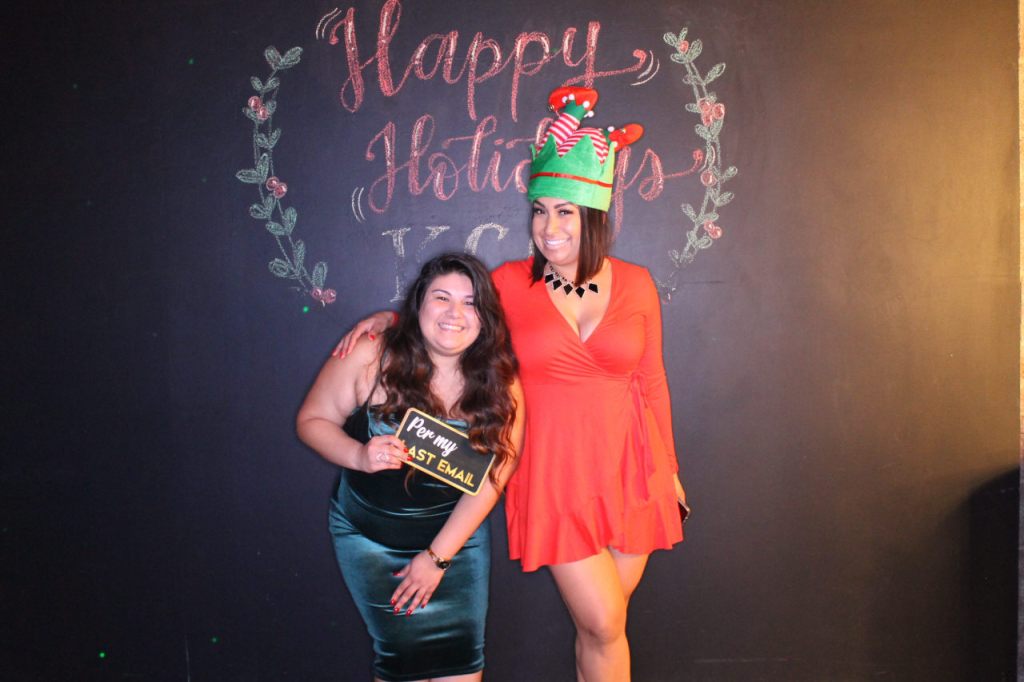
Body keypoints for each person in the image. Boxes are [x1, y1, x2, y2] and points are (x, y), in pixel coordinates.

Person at [337, 87, 687, 682]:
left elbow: (653, 379)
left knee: (604, 629)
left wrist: (670, 468)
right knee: (604, 622)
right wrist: (390, 319)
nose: (548, 227)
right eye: (540, 210)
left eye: (565, 212)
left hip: (635, 469)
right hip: (555, 473)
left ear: (594, 215)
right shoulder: (508, 283)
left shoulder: (638, 283)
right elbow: (451, 318)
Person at [298, 252, 524, 682]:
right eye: (441, 297)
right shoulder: (371, 354)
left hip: (456, 546)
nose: (455, 313)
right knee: (402, 665)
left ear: (486, 316)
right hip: (371, 543)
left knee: (462, 667)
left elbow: (494, 476)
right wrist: (358, 456)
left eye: (470, 302)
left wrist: (437, 559)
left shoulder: (500, 380)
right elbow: (312, 420)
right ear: (418, 303)